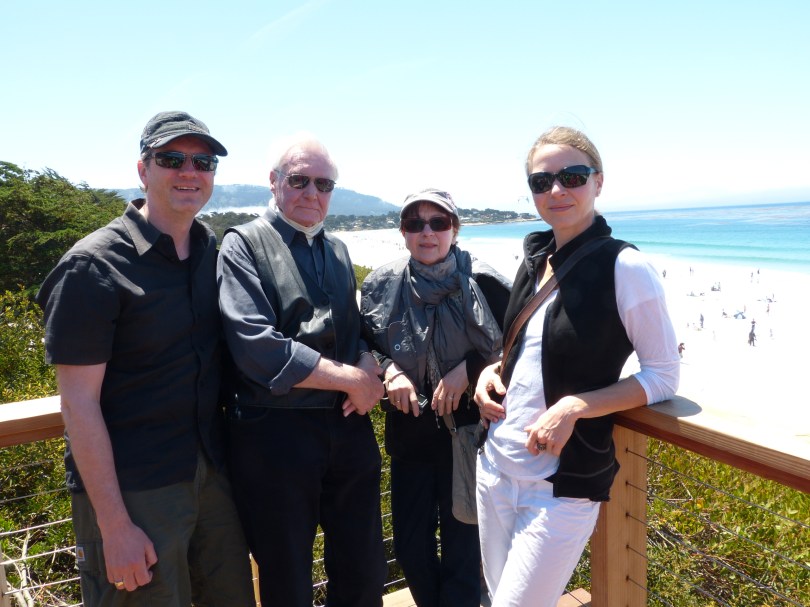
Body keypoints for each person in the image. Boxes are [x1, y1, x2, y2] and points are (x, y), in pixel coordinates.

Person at [36, 111, 254, 606]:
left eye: (204, 161)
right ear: (143, 170)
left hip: (210, 477)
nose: (189, 172)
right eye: (172, 159)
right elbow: (79, 406)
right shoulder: (93, 266)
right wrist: (114, 527)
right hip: (135, 492)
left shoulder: (208, 251)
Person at [473, 126, 680, 607]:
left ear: (599, 182)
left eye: (572, 175)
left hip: (561, 486)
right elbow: (528, 348)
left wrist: (575, 407)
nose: (557, 190)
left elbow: (664, 375)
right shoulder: (535, 258)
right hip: (495, 467)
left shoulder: (625, 267)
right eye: (542, 182)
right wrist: (491, 370)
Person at [217, 134, 387, 607]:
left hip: (347, 425)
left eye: (325, 184)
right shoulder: (242, 245)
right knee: (286, 572)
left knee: (363, 565)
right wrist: (350, 379)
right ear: (273, 183)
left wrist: (368, 365)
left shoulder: (336, 250)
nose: (313, 193)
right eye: (299, 180)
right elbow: (255, 347)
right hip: (276, 432)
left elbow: (355, 331)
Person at [360, 189, 511, 607]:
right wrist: (389, 371)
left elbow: (516, 350)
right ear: (403, 232)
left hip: (469, 436)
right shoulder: (381, 285)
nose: (427, 232)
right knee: (411, 544)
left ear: (455, 230)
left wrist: (470, 369)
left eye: (438, 222)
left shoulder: (485, 282)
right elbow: (364, 343)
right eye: (415, 223)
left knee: (464, 547)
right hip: (410, 435)